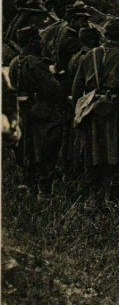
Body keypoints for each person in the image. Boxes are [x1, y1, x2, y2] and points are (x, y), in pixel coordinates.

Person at [71, 18, 119, 199]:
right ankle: (111, 197)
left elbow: (76, 87)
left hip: (91, 109)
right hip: (114, 110)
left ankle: (92, 198)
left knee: (93, 151)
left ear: (105, 35)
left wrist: (79, 109)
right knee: (114, 151)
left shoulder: (90, 55)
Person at [8, 26, 67, 193]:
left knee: (27, 147)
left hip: (24, 111)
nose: (41, 43)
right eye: (38, 40)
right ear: (32, 41)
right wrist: (59, 77)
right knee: (46, 147)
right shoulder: (35, 63)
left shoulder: (14, 63)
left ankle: (29, 185)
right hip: (42, 112)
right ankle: (44, 190)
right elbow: (53, 89)